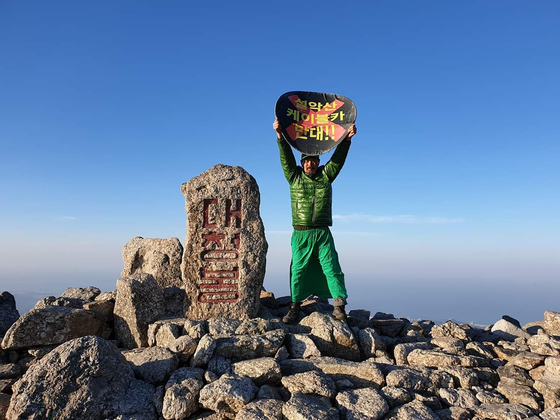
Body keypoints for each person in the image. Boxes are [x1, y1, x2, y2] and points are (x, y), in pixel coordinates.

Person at [273, 118, 357, 324]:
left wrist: (346, 140)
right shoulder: (294, 177)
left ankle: (339, 308)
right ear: (302, 162)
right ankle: (295, 307)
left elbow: (338, 160)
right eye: (306, 160)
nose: (310, 163)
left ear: (318, 161)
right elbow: (285, 158)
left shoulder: (326, 175)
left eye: (313, 160)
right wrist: (280, 136)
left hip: (322, 232)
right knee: (297, 270)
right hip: (301, 232)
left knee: (331, 267)